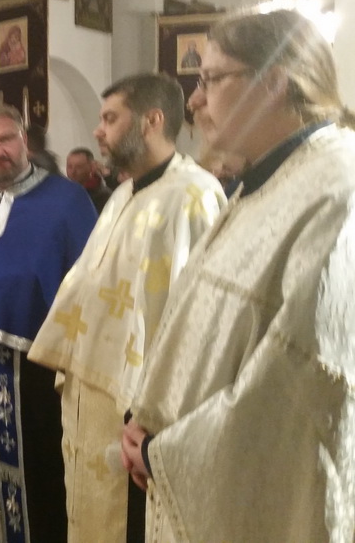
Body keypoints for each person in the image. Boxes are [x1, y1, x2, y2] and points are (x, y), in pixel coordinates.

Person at [122, 9, 355, 541]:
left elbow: (302, 380)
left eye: (210, 79)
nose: (195, 101)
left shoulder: (337, 188)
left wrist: (168, 453)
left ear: (273, 82)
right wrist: (146, 416)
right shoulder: (267, 182)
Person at [28, 73, 226, 542]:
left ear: (151, 121)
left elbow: (197, 316)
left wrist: (161, 413)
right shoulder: (123, 193)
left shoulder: (193, 195)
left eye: (110, 119)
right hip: (93, 387)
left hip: (139, 399)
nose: (98, 131)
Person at [0, 103, 97, 543]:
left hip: (39, 363)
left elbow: (88, 283)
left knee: (39, 470)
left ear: (24, 140)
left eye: (5, 139)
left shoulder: (68, 200)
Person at [65, 147, 112, 214]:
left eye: (79, 167)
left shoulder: (103, 196)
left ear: (91, 167)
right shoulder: (63, 192)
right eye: (69, 166)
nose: (73, 171)